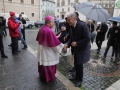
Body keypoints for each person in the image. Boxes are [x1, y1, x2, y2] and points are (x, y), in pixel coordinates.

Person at [63, 13, 91, 87]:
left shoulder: (83, 26)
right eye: (67, 20)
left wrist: (77, 43)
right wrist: (67, 45)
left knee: (79, 64)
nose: (68, 21)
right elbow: (72, 38)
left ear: (74, 19)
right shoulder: (71, 26)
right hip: (76, 48)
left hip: (82, 48)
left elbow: (87, 39)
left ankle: (79, 80)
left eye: (69, 20)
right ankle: (76, 77)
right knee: (76, 63)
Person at [36, 15, 64, 83]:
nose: (54, 23)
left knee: (43, 63)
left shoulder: (42, 28)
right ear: (50, 22)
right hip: (48, 51)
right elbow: (54, 44)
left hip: (42, 50)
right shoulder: (49, 31)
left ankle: (43, 75)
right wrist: (62, 46)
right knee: (49, 64)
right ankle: (49, 77)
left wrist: (55, 37)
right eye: (53, 21)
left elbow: (44, 39)